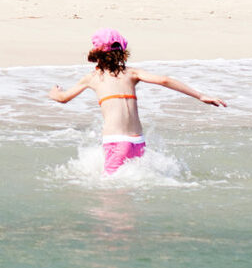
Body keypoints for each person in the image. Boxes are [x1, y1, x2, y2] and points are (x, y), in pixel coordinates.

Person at [48, 28, 224, 173]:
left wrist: (54, 92)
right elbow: (164, 80)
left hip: (116, 142)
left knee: (110, 193)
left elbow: (63, 99)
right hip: (138, 142)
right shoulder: (132, 73)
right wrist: (200, 96)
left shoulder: (93, 77)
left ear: (96, 53)